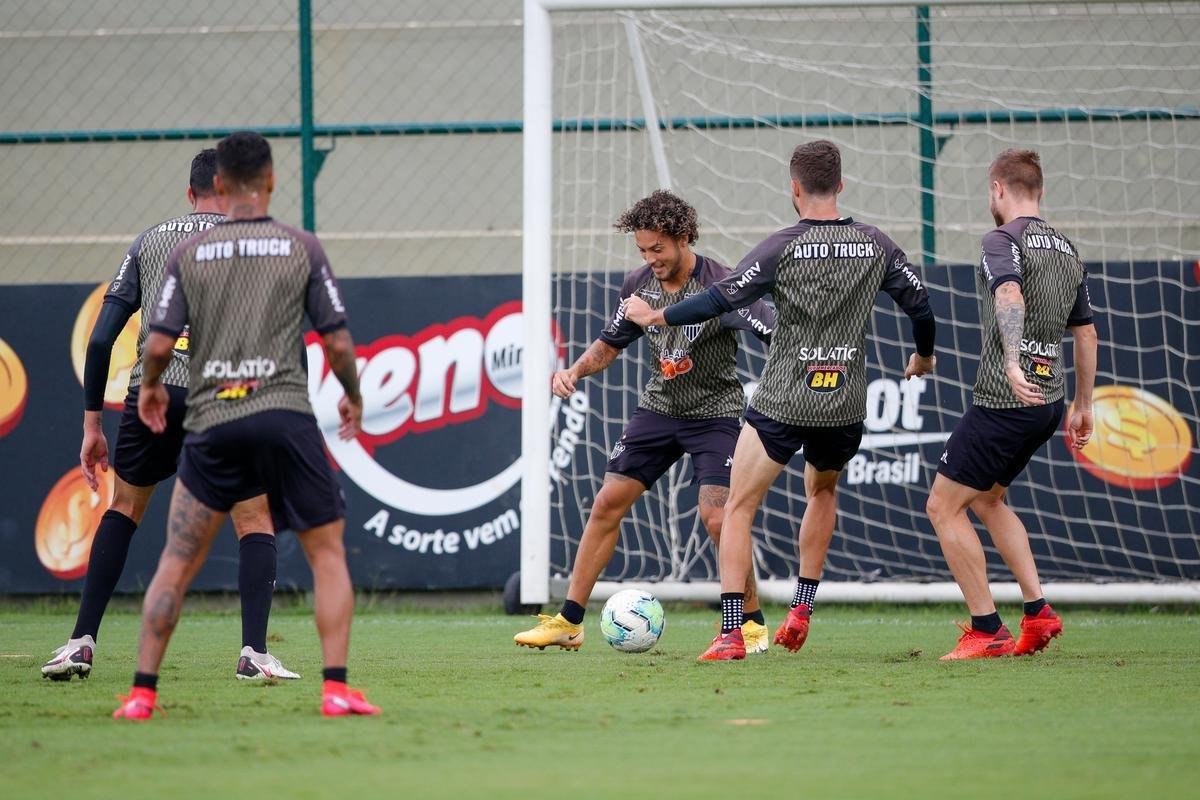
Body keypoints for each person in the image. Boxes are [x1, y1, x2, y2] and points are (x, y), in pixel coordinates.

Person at [625, 141, 937, 661]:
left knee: (738, 507)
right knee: (823, 492)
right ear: (839, 185)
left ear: (794, 188)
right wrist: (923, 357)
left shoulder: (782, 247)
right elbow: (921, 306)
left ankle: (731, 632)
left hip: (785, 398)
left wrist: (661, 317)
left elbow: (721, 297)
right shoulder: (876, 243)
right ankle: (802, 609)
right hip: (843, 401)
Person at [112, 131, 378, 719]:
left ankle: (141, 694)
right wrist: (353, 396)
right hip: (282, 414)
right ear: (272, 181)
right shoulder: (300, 247)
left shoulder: (186, 255)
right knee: (327, 553)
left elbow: (156, 341)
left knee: (177, 561)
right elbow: (335, 339)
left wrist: (152, 385)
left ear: (218, 186)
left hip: (214, 420)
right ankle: (335, 689)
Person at [42, 149, 296, 683]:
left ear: (191, 193)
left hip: (153, 395)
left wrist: (92, 425)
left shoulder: (150, 241)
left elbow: (101, 339)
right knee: (253, 518)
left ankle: (79, 643)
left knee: (124, 510)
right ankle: (254, 653)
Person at [513, 190, 776, 653]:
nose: (650, 258)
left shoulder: (723, 283)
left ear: (683, 238)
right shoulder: (639, 284)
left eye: (658, 249)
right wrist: (574, 370)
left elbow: (772, 327)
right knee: (607, 503)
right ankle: (568, 623)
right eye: (643, 250)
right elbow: (610, 345)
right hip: (658, 409)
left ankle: (750, 624)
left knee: (718, 518)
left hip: (715, 414)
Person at [925, 149, 1096, 660]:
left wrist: (1015, 362)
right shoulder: (1066, 249)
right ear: (1039, 190)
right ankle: (1038, 612)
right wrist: (1083, 404)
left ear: (998, 188)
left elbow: (1009, 294)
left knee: (942, 506)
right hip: (1048, 402)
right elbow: (1085, 334)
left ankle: (986, 629)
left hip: (1006, 398)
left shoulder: (1001, 239)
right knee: (989, 499)